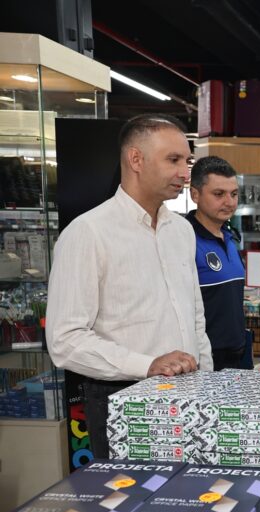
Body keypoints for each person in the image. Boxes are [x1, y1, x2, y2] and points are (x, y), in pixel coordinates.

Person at [47, 113, 213, 459]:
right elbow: (64, 339)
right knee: (131, 493)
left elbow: (194, 315)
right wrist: (147, 364)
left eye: (187, 161)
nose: (185, 173)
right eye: (173, 160)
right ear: (136, 159)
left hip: (187, 397)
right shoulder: (88, 233)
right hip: (121, 402)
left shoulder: (181, 231)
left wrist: (206, 384)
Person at [186, 156, 249, 370]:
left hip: (238, 355)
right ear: (195, 194)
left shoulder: (230, 237)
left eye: (234, 194)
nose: (229, 202)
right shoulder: (184, 239)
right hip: (205, 361)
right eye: (219, 194)